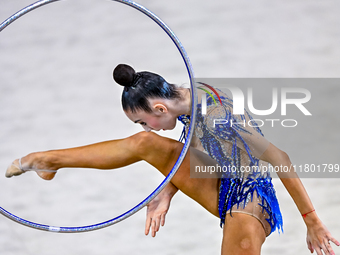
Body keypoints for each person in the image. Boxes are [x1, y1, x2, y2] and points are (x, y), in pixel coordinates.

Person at [6, 64, 339, 255]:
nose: (145, 126)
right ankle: (47, 161)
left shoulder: (217, 115)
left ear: (159, 109)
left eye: (142, 119)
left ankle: (48, 160)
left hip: (250, 203)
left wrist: (312, 220)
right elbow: (194, 140)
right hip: (223, 180)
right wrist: (167, 189)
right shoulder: (191, 94)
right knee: (145, 143)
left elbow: (280, 157)